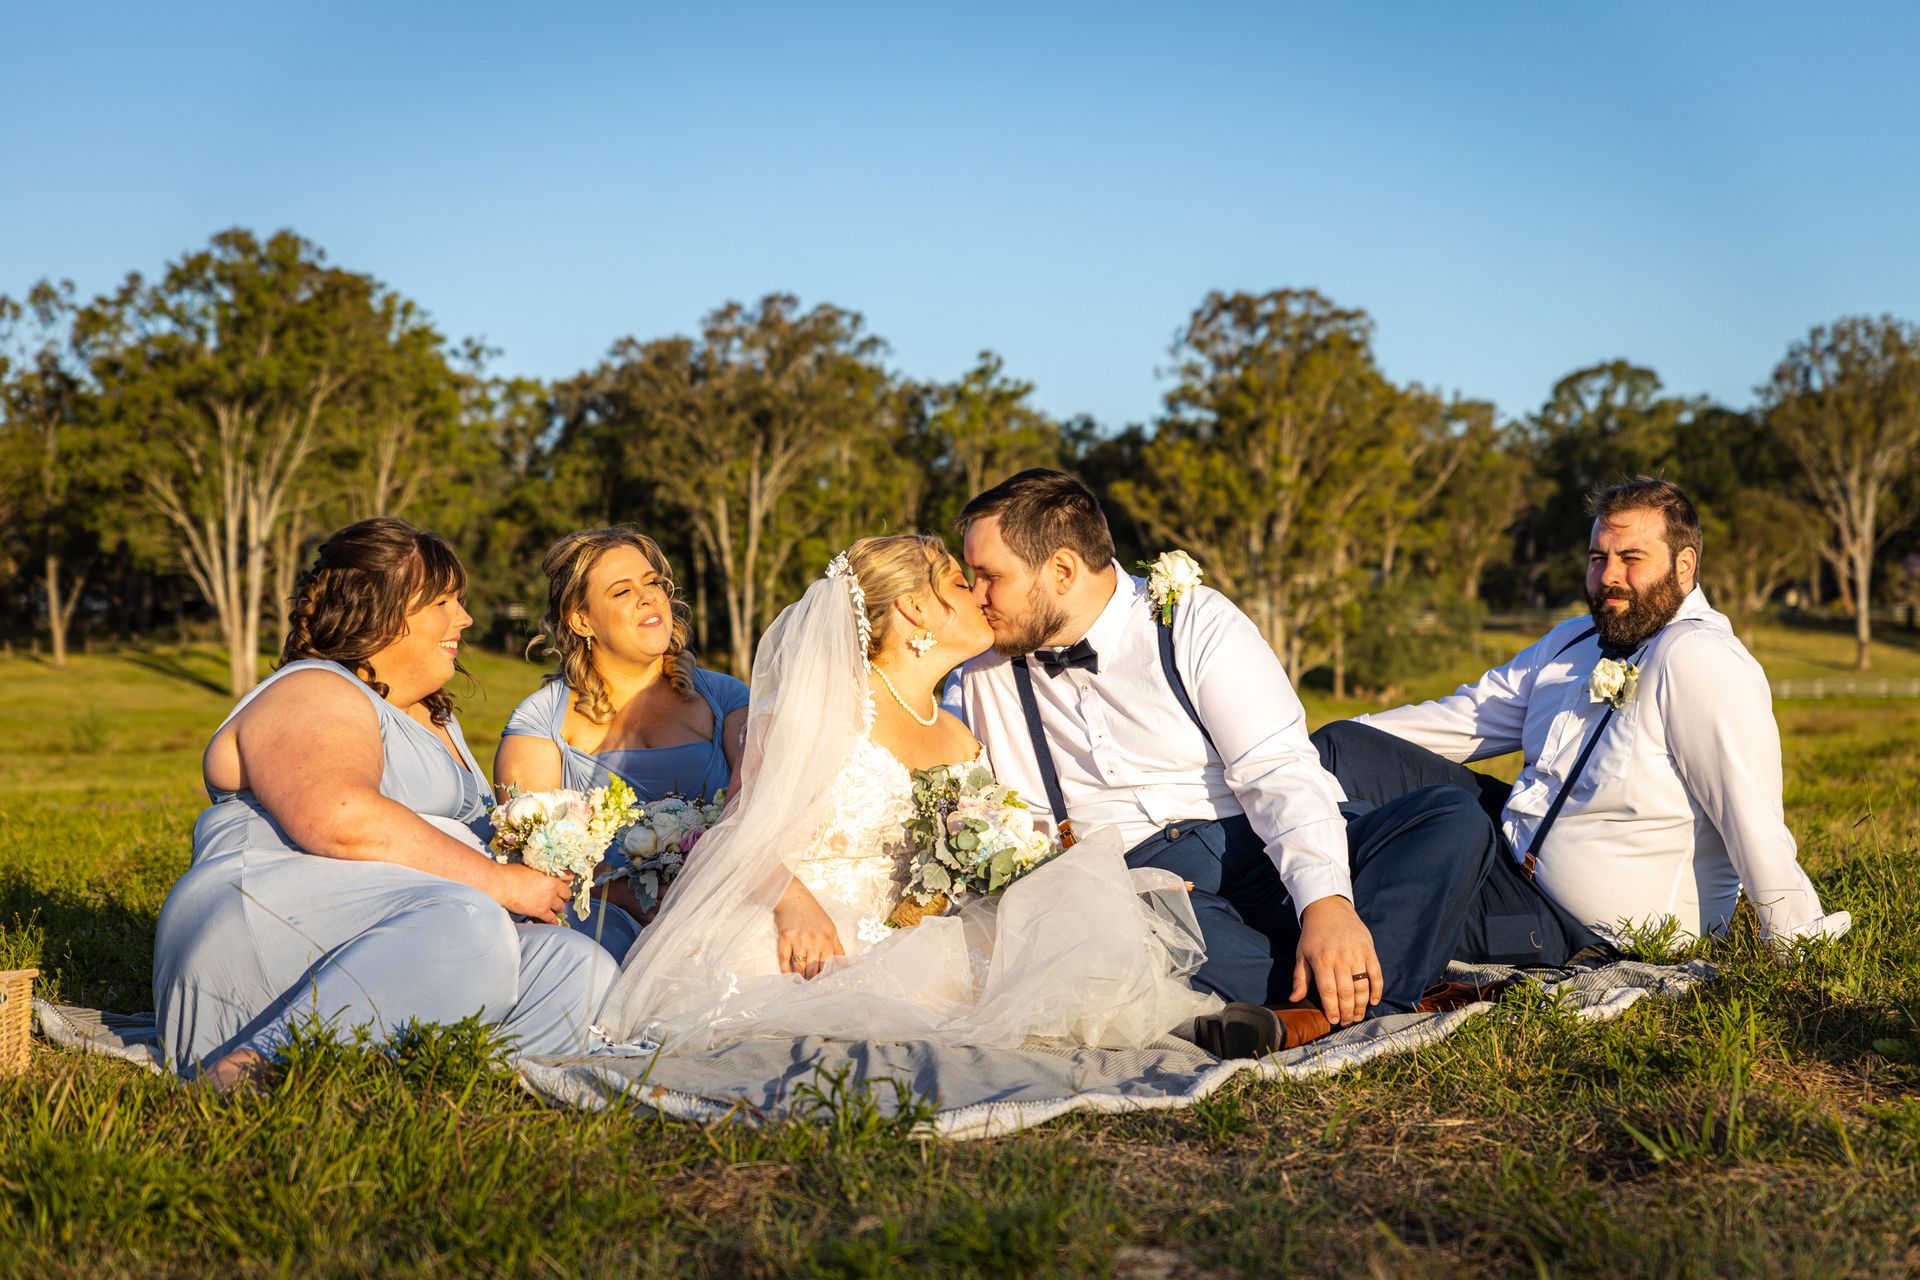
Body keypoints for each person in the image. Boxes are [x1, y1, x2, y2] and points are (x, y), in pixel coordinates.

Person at [950, 469, 1501, 1058]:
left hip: (1258, 844)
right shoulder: (982, 670)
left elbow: (1277, 768)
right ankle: (1375, 997)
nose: (976, 598)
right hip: (1145, 886)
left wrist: (1327, 904)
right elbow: (932, 764)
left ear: (1061, 570)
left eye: (990, 577)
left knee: (1451, 818)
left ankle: (1310, 1009)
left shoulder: (1190, 619)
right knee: (1138, 936)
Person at [594, 534, 1217, 1053]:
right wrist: (793, 904)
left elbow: (988, 856)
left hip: (917, 932)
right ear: (915, 611)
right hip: (803, 928)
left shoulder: (959, 735)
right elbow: (741, 826)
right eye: (957, 583)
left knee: (1080, 930)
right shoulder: (822, 710)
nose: (979, 594)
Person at [152, 518, 617, 1087]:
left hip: (386, 925)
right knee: (469, 922)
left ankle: (442, 1087)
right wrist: (498, 884)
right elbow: (336, 816)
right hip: (270, 920)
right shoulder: (314, 689)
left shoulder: (431, 715)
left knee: (577, 966)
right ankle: (250, 1070)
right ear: (385, 611)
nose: (464, 619)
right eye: (444, 601)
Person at [1313, 477, 1850, 961]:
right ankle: (1246, 821)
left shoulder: (1699, 659)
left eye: (1631, 558)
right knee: (1342, 746)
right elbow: (1464, 718)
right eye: (1598, 558)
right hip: (1507, 849)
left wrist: (1794, 941)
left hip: (1576, 929)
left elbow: (1752, 818)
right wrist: (1276, 755)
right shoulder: (1574, 639)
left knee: (1398, 856)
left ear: (1684, 565)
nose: (1609, 577)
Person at [495, 529, 747, 960]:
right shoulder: (540, 723)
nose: (649, 597)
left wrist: (696, 893)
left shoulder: (727, 699)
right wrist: (639, 896)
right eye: (622, 591)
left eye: (652, 583)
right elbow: (531, 859)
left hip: (719, 903)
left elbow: (760, 810)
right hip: (597, 919)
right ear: (581, 620)